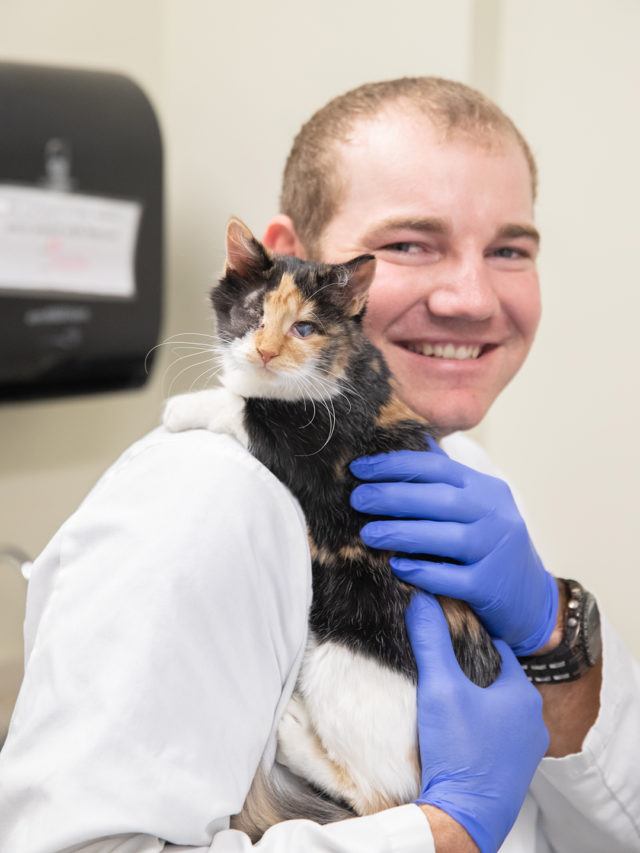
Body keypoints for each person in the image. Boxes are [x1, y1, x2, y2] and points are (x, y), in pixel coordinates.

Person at [0, 77, 638, 853]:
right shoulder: (204, 500)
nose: (471, 297)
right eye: (409, 243)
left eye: (509, 249)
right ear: (287, 258)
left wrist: (555, 635)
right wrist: (444, 831)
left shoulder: (460, 475)